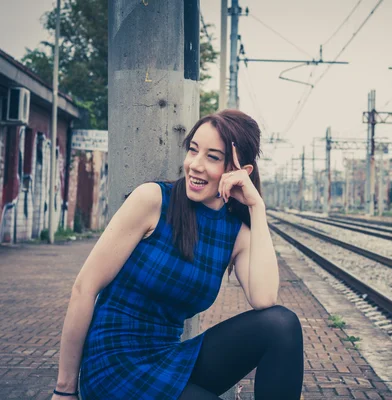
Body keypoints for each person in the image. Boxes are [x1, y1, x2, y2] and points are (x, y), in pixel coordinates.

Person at [51, 110, 304, 400]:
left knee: (282, 325)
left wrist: (257, 208)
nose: (195, 165)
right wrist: (65, 390)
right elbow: (85, 288)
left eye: (212, 157)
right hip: (115, 365)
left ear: (239, 171)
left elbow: (264, 300)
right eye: (193, 150)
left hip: (170, 357)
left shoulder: (237, 233)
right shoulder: (153, 200)